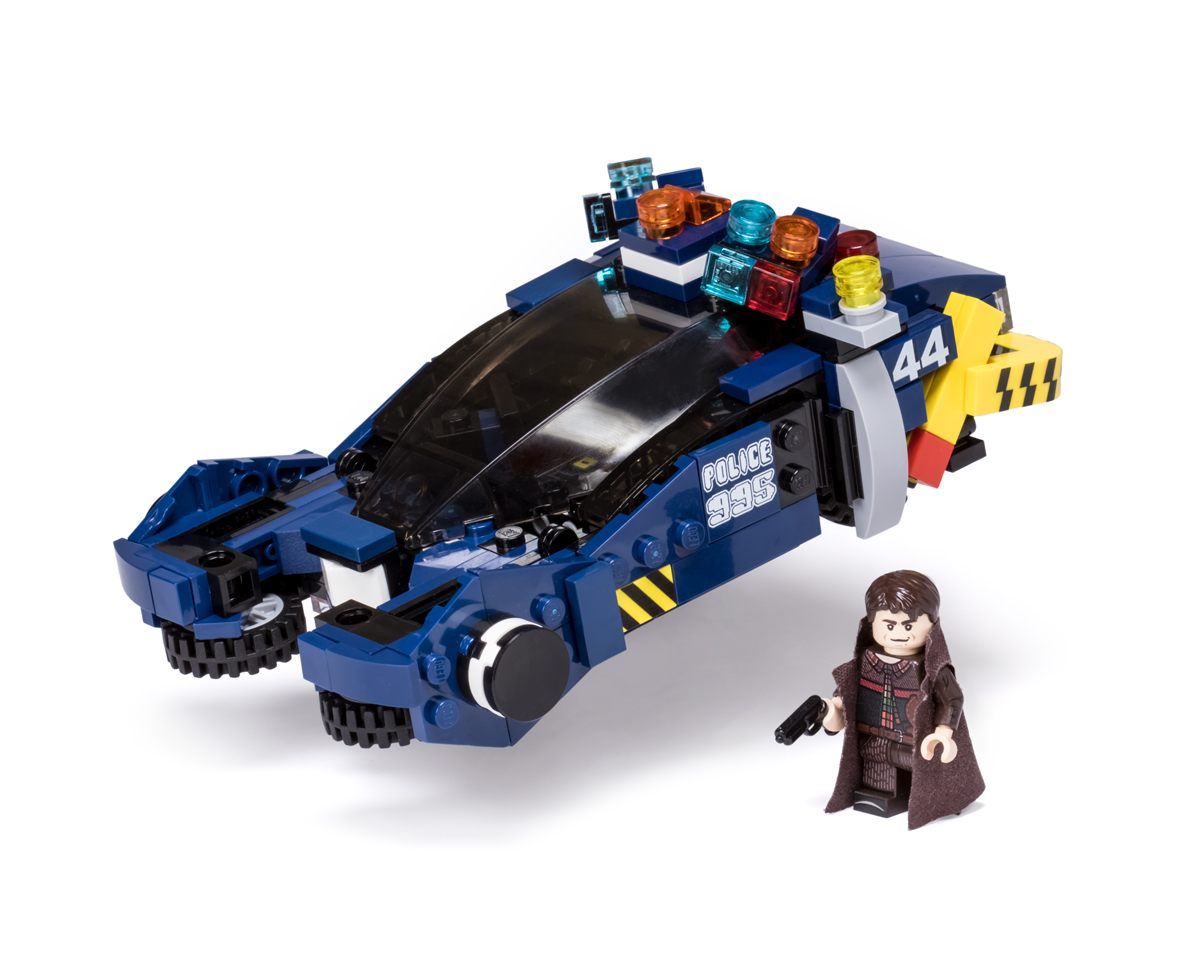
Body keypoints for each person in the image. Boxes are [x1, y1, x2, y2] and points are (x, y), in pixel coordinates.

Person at [821, 570, 985, 829]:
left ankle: (935, 799)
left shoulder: (932, 668)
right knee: (874, 759)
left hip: (916, 744)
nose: (899, 633)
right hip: (874, 738)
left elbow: (952, 699)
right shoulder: (865, 661)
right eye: (889, 625)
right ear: (872, 622)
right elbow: (847, 695)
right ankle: (881, 794)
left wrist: (943, 733)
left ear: (931, 624)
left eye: (908, 626)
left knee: (925, 769)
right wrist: (832, 710)